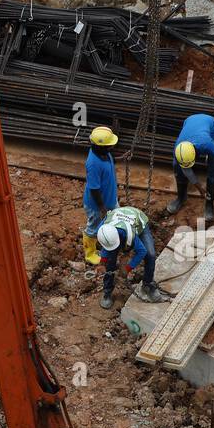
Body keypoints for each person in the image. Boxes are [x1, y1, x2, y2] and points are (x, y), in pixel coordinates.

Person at [96, 206, 171, 308]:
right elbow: (106, 247)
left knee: (150, 254)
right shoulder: (103, 229)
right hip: (118, 221)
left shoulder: (129, 234)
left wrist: (128, 268)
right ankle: (107, 291)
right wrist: (103, 262)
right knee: (110, 261)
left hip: (138, 223)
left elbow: (141, 251)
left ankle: (148, 284)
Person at [168, 113, 214, 223]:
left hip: (211, 126)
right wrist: (199, 187)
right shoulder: (178, 149)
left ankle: (209, 204)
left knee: (213, 167)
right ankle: (181, 198)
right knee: (177, 167)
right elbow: (186, 169)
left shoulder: (206, 144)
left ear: (195, 153)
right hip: (189, 121)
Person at [82, 126, 119, 265]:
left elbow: (110, 162)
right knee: (93, 228)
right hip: (96, 205)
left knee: (115, 220)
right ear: (100, 146)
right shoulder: (93, 164)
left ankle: (109, 240)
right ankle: (90, 253)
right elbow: (94, 189)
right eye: (109, 146)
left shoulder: (104, 153)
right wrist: (102, 208)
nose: (112, 147)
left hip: (110, 199)